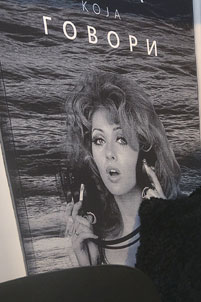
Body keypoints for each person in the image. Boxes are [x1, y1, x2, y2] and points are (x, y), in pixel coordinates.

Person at [63, 71, 181, 267]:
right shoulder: (95, 242)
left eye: (121, 139)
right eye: (99, 140)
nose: (109, 153)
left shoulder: (177, 225)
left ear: (145, 149)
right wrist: (88, 266)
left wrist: (166, 237)